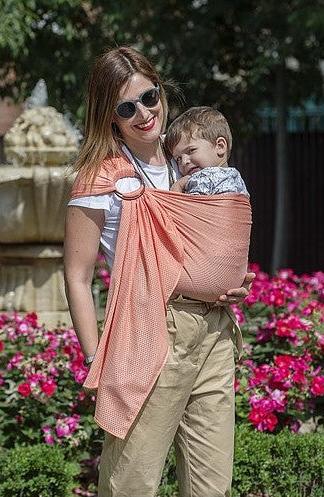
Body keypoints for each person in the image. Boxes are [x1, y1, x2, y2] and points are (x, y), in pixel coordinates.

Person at [64, 46, 255, 497]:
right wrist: (95, 359)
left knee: (212, 484)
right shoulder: (101, 178)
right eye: (126, 108)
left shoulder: (188, 161)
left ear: (160, 91)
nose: (144, 113)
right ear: (110, 116)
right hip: (153, 335)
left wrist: (225, 286)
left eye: (149, 98)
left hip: (214, 333)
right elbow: (76, 274)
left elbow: (211, 244)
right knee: (132, 482)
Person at [165, 106, 249, 197]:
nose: (184, 162)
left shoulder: (205, 178)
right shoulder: (236, 177)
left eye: (191, 150)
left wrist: (177, 186)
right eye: (178, 159)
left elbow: (186, 208)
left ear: (220, 146)